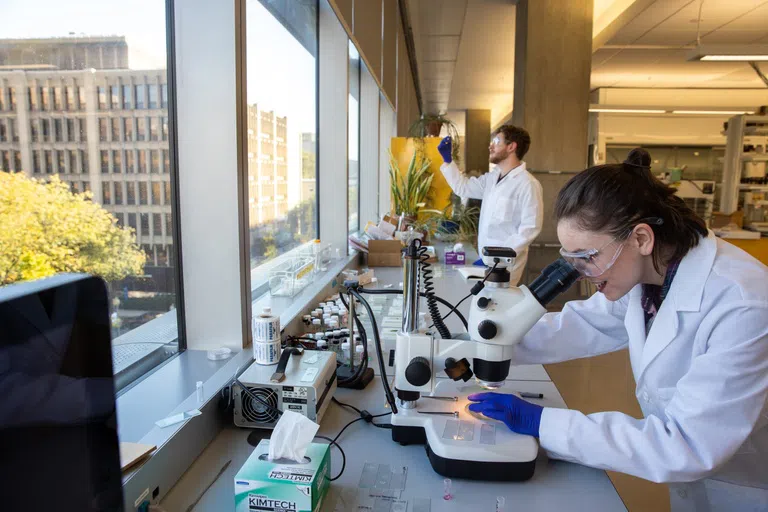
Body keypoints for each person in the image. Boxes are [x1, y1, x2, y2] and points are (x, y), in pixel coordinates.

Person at [469, 148, 768, 511]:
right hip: (696, 488)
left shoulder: (742, 304)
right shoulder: (650, 272)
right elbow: (582, 323)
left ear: (641, 238)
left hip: (745, 489)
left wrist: (543, 422)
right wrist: (489, 343)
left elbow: (685, 444)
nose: (580, 272)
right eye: (571, 259)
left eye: (588, 257)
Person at [437, 125, 543, 285]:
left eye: (496, 141)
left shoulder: (527, 184)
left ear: (511, 146)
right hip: (486, 260)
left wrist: (497, 257)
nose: (490, 146)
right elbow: (463, 188)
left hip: (506, 265)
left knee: (496, 307)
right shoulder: (492, 179)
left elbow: (530, 228)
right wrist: (448, 161)